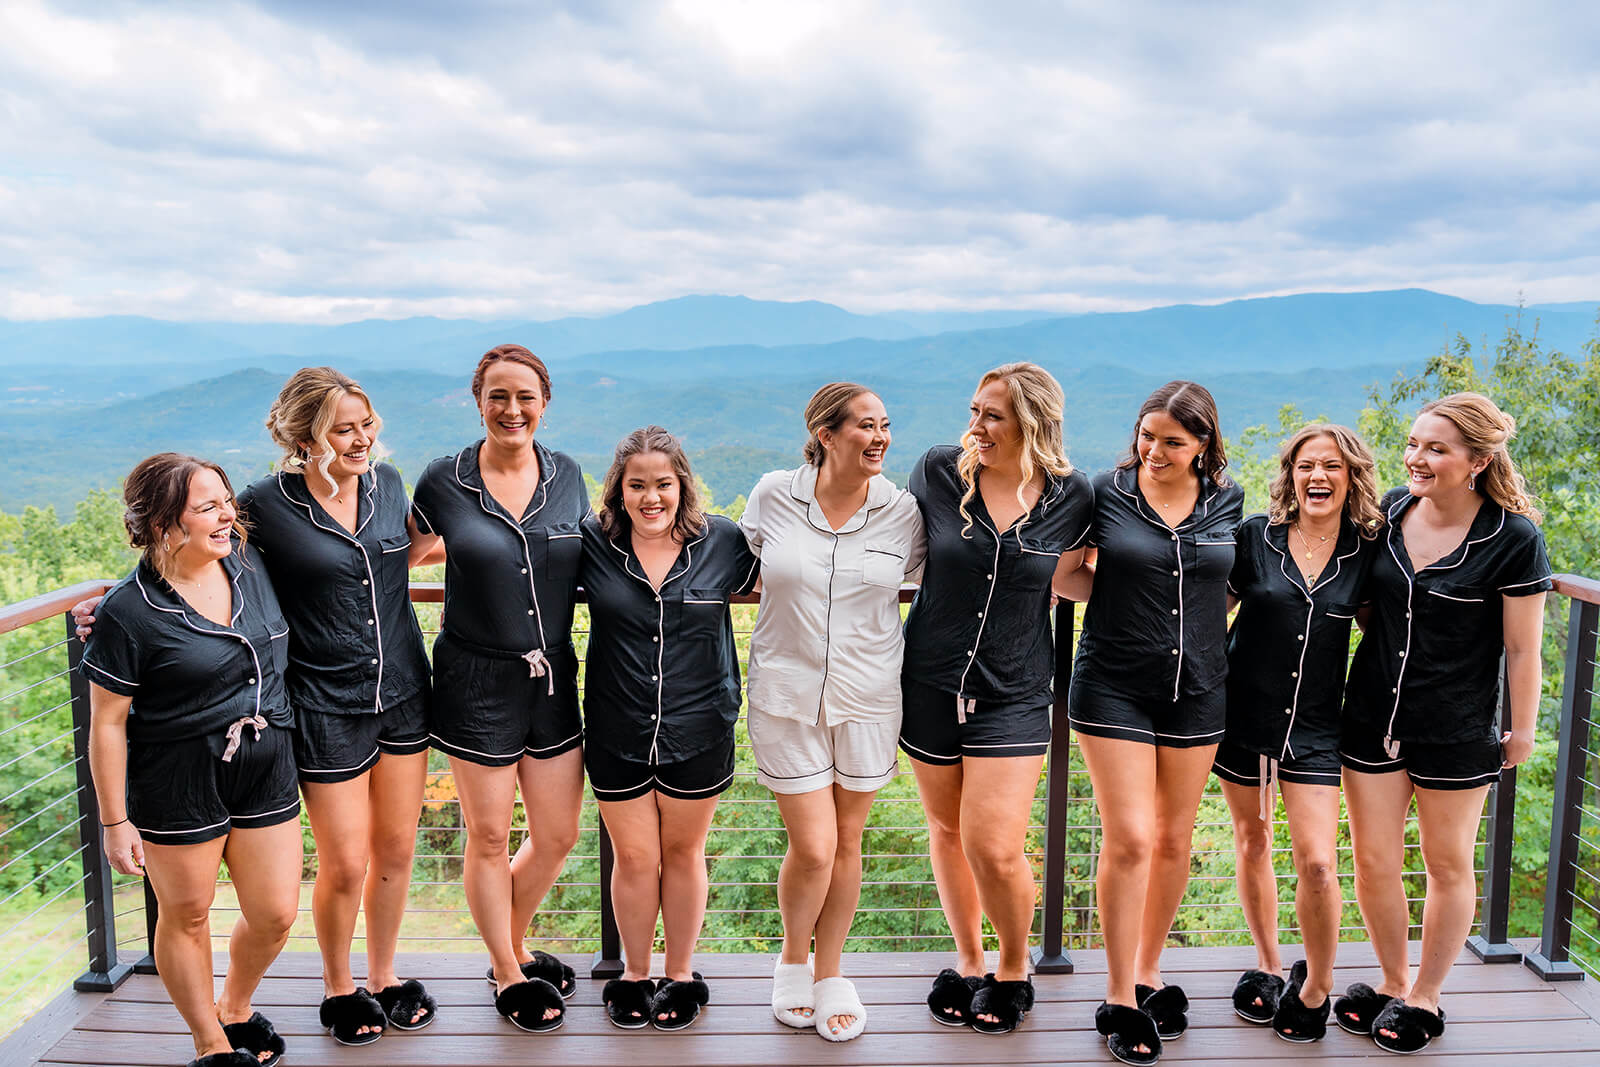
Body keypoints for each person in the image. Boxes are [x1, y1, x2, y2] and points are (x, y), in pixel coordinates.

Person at [74, 370, 443, 1044]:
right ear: (305, 439)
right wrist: (108, 602)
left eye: (367, 424)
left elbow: (418, 546)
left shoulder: (391, 486)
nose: (361, 438)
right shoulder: (263, 506)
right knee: (346, 861)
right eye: (342, 428)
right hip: (319, 701)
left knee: (392, 848)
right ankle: (335, 989)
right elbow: (178, 553)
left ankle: (383, 976)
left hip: (401, 693)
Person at [1334, 392, 1550, 1056]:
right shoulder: (1391, 510)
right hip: (1372, 714)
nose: (1416, 458)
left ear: (1478, 460)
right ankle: (1394, 981)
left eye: (1436, 448)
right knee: (1372, 861)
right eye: (1414, 443)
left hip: (1457, 728)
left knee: (1446, 861)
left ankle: (1426, 994)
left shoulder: (1513, 538)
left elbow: (1522, 649)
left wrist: (1520, 729)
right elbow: (1371, 607)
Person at [81, 454, 301, 1067]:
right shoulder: (127, 612)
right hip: (177, 777)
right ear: (160, 525)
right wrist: (114, 819)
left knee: (278, 913)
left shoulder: (250, 564)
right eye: (207, 507)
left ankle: (234, 1006)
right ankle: (210, 1043)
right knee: (188, 914)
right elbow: (107, 722)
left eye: (226, 500)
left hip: (265, 761)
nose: (228, 514)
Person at [900, 363, 1092, 1034]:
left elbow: (1075, 578)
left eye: (993, 416)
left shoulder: (1073, 496)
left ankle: (1014, 967)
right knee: (948, 831)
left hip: (1014, 689)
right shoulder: (938, 472)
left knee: (996, 844)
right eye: (976, 410)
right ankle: (970, 958)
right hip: (927, 683)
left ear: (1032, 423)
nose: (976, 425)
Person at [1060, 381, 1243, 1066]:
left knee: (1173, 839)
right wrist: (1123, 598)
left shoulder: (1228, 497)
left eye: (1172, 441)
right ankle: (1118, 993)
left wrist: (1189, 624)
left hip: (1199, 686)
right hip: (1112, 682)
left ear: (1202, 445)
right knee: (1132, 837)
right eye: (1147, 436)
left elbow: (1227, 585)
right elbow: (1064, 576)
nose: (1155, 451)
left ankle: (1149, 966)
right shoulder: (1102, 493)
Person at [409, 344, 589, 1033]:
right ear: (478, 401)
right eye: (498, 397)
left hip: (553, 677)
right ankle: (509, 969)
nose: (513, 410)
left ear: (545, 402)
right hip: (475, 677)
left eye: (526, 397)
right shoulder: (443, 480)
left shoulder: (569, 474)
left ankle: (509, 938)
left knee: (558, 832)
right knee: (487, 834)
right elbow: (392, 553)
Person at [741, 382, 926, 1042]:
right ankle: (791, 958)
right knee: (814, 845)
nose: (879, 438)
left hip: (870, 698)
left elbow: (948, 577)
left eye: (884, 425)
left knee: (847, 842)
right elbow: (732, 559)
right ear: (825, 433)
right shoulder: (773, 494)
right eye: (865, 426)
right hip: (785, 697)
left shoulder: (902, 511)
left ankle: (828, 972)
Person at [581, 427, 759, 1031]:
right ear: (619, 490)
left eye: (663, 484)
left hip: (700, 725)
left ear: (683, 485)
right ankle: (635, 973)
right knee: (633, 858)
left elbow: (793, 579)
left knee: (683, 854)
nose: (650, 497)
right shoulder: (593, 543)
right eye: (637, 485)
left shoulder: (726, 544)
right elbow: (519, 572)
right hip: (615, 726)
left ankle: (680, 974)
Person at [1216, 424, 1381, 1043]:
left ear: (1351, 477)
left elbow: (1384, 631)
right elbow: (1211, 613)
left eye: (1331, 467)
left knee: (1316, 861)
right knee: (1252, 841)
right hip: (1243, 720)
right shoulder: (1256, 538)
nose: (1318, 477)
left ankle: (1315, 987)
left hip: (1315, 728)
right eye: (1306, 466)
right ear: (1289, 475)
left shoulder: (1365, 552)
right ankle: (1267, 963)